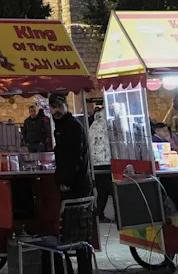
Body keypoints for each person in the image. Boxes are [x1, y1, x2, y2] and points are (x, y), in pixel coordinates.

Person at [49, 93, 92, 274]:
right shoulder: (60, 127)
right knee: (70, 232)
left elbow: (74, 157)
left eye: (59, 106)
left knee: (76, 232)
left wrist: (65, 181)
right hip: (73, 185)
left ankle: (83, 270)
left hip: (77, 187)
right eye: (53, 107)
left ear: (66, 106)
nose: (56, 111)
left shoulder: (73, 127)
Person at [88, 107, 113, 223]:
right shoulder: (107, 124)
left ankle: (99, 214)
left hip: (95, 163)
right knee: (112, 190)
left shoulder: (92, 126)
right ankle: (117, 216)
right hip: (106, 161)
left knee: (101, 191)